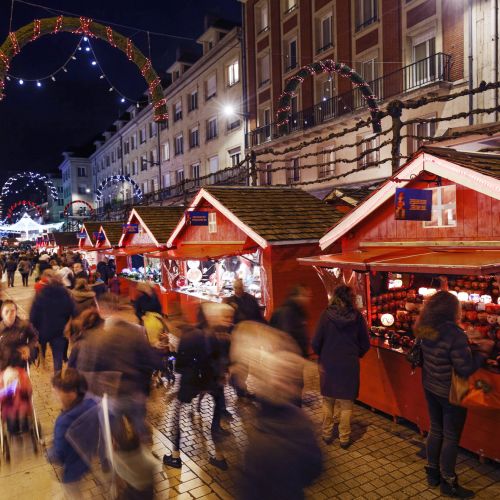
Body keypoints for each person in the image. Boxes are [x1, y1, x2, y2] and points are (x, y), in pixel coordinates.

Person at [415, 291, 492, 498]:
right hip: (450, 391)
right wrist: (482, 352)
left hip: (430, 385)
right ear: (451, 310)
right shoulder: (454, 334)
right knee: (450, 436)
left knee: (436, 429)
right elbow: (464, 368)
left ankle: (432, 472)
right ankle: (448, 481)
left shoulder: (425, 327)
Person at [75, 294, 163, 441]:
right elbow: (151, 361)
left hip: (110, 396)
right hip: (135, 392)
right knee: (139, 426)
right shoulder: (136, 330)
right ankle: (144, 451)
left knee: (117, 434)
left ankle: (123, 454)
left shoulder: (93, 336)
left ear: (99, 309)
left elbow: (84, 368)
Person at [312, 285, 370, 448]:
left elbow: (316, 342)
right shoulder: (357, 317)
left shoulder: (326, 315)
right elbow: (365, 343)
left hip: (329, 363)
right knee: (346, 403)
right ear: (350, 299)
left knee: (328, 400)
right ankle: (344, 438)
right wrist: (355, 354)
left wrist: (322, 354)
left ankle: (327, 433)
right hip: (349, 364)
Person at [47, 368, 98, 493]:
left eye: (58, 391)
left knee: (72, 493)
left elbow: (59, 454)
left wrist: (48, 454)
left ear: (73, 392)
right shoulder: (92, 403)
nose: (55, 395)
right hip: (87, 459)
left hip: (72, 470)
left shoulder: (63, 422)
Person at [270, 285, 312, 406]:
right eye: (306, 296)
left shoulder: (298, 312)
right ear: (297, 296)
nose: (308, 299)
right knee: (290, 394)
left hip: (295, 362)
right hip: (289, 363)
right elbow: (287, 339)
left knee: (295, 392)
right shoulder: (288, 313)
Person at [30, 275, 76, 372]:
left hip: (43, 330)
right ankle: (57, 375)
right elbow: (72, 310)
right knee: (58, 355)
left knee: (42, 346)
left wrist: (35, 327)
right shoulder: (65, 293)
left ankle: (43, 361)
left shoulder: (41, 294)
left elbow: (33, 315)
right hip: (60, 330)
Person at [0, 300, 39, 371]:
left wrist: (28, 348)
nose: (9, 314)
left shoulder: (24, 325)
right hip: (4, 367)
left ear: (16, 312)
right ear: (1, 313)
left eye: (12, 311)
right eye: (6, 311)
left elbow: (34, 336)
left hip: (20, 365)